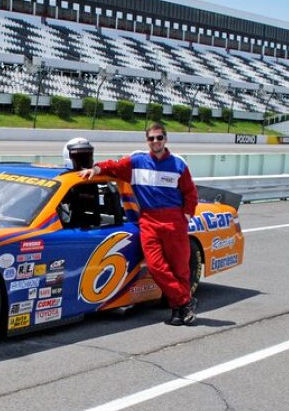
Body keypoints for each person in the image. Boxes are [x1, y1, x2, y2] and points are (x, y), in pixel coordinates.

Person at [76, 123, 199, 326]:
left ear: (165, 139)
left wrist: (185, 216)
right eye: (151, 138)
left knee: (180, 269)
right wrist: (96, 168)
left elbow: (190, 193)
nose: (155, 142)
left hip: (174, 221)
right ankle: (186, 301)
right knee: (155, 266)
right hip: (149, 220)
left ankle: (179, 311)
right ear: (147, 141)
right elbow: (113, 166)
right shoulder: (137, 161)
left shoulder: (178, 164)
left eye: (159, 138)